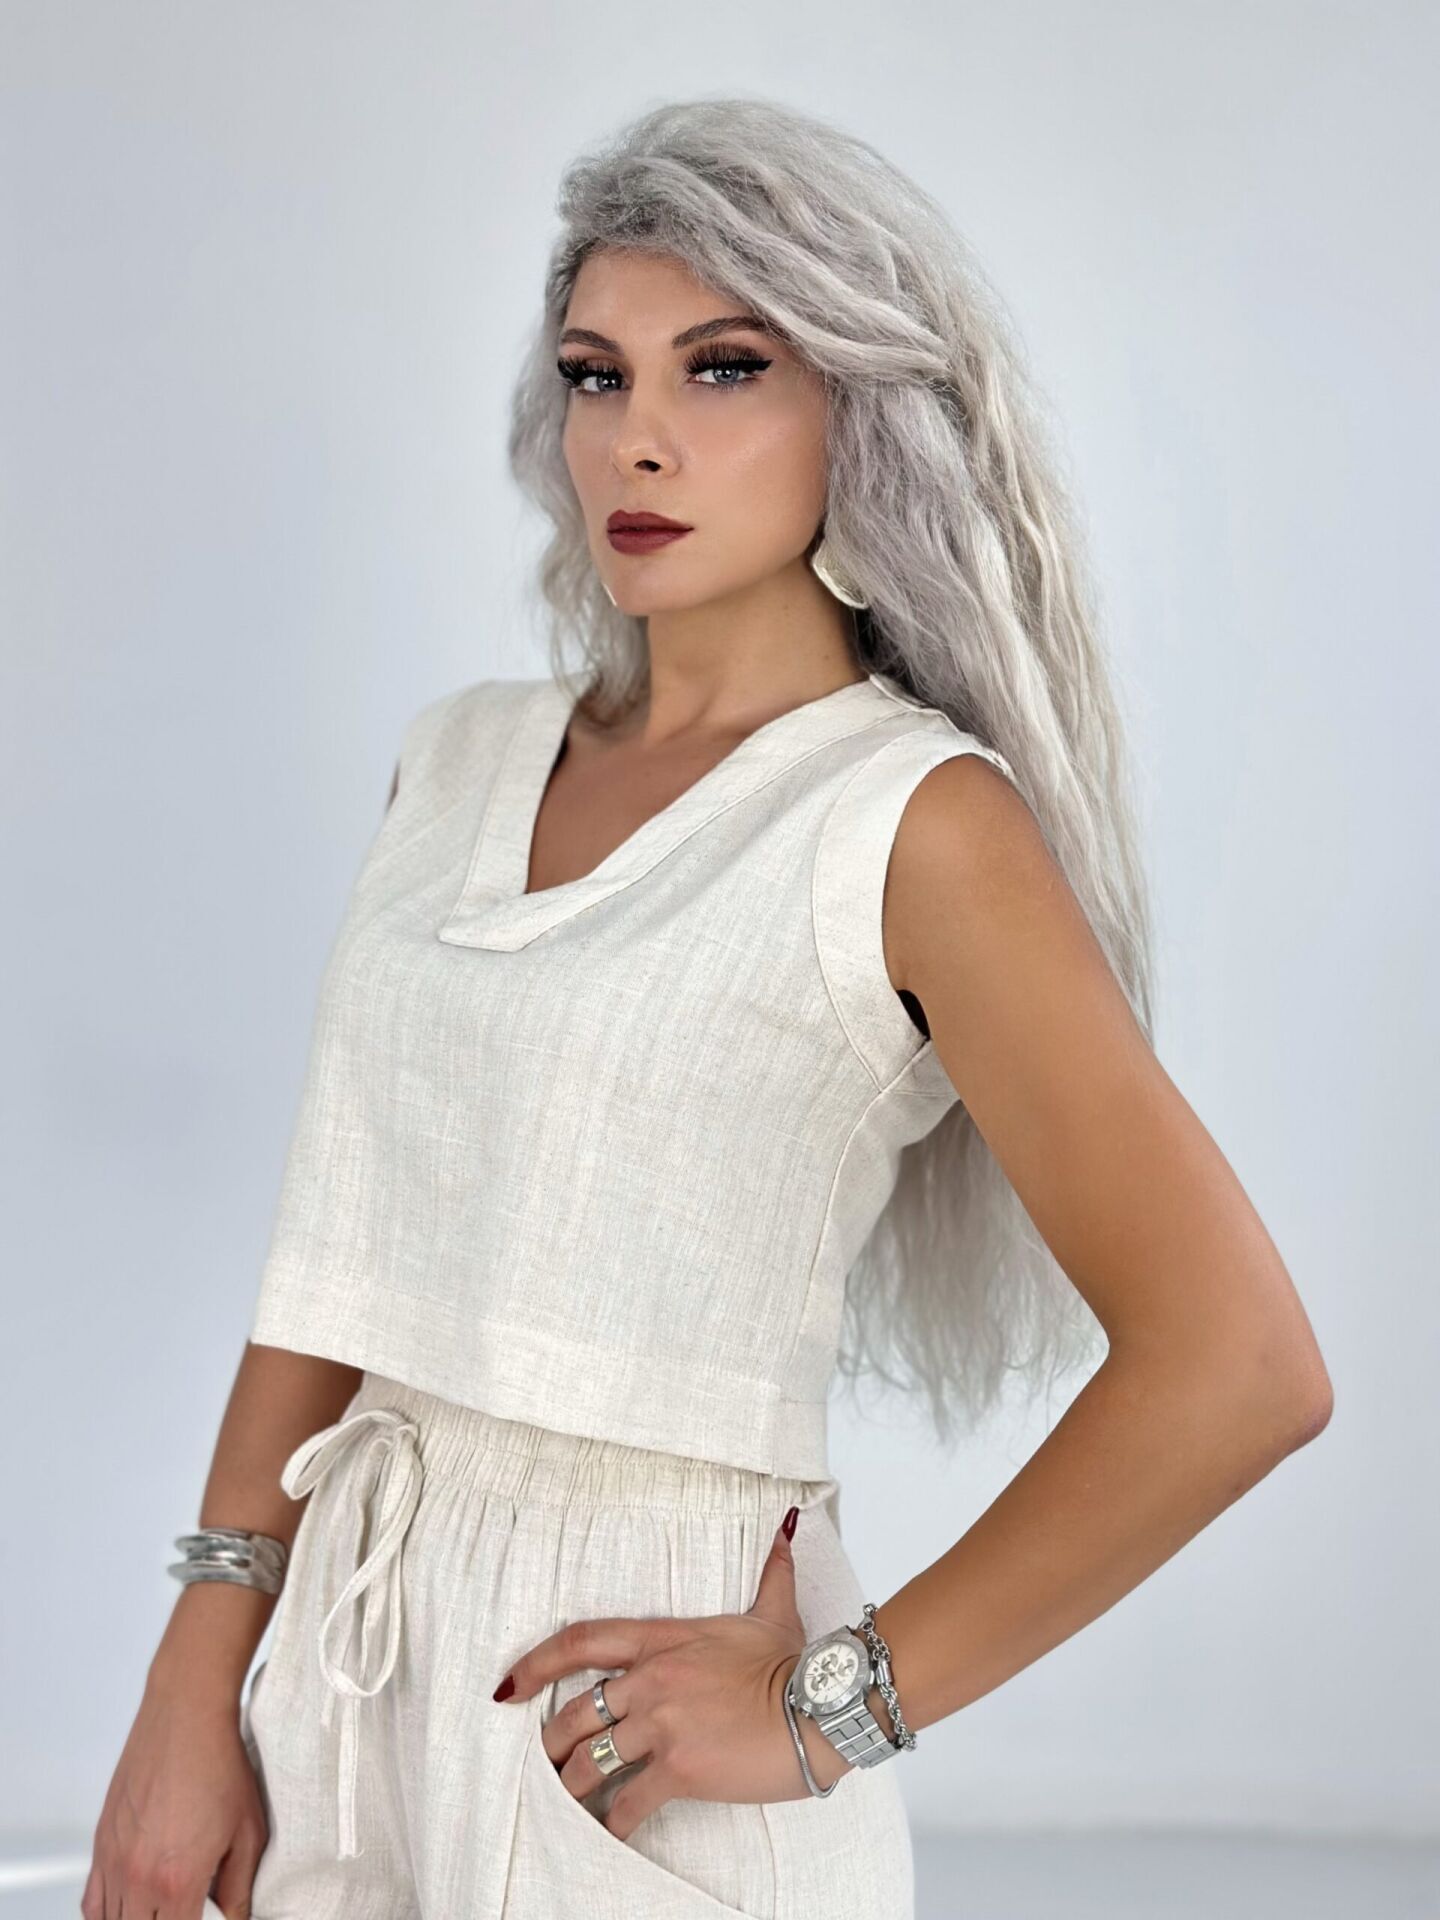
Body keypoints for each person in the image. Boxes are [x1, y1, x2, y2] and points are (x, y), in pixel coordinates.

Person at [85, 96, 1333, 1920]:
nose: (638, 438)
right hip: (344, 1692)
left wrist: (838, 1708)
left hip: (637, 1738)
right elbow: (343, 1265)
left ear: (862, 414)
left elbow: (1241, 1368)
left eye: (724, 368)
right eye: (596, 377)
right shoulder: (457, 764)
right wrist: (193, 1675)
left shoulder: (912, 826)